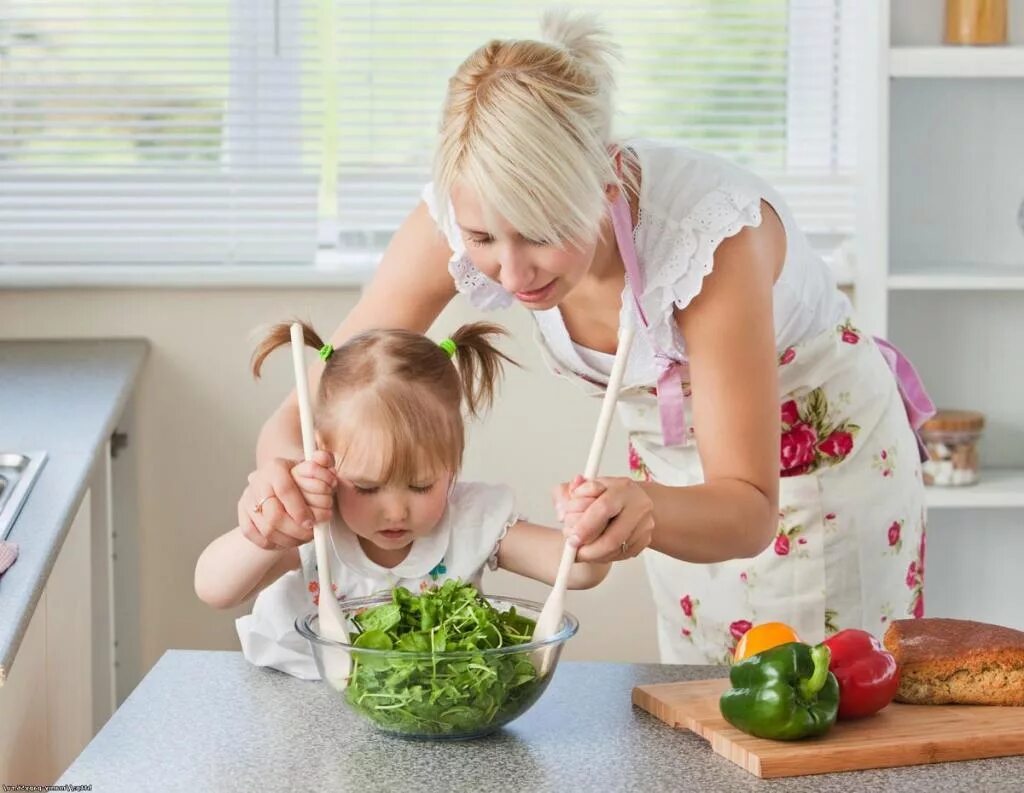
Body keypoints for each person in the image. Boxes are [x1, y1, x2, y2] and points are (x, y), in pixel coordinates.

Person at [238, 9, 933, 665]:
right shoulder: (463, 206)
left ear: (604, 186)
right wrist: (279, 484)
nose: (511, 272)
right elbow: (306, 407)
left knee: (820, 718)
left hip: (814, 477)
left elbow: (750, 508)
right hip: (669, 484)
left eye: (540, 234)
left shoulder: (710, 241)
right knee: (709, 705)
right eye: (482, 237)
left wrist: (646, 503)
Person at [194, 320, 609, 678]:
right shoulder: (313, 519)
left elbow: (580, 573)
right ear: (324, 453)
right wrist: (266, 533)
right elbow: (215, 590)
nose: (395, 510)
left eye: (421, 485)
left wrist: (589, 525)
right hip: (298, 698)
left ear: (452, 462)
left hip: (426, 708)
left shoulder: (470, 518)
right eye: (368, 488)